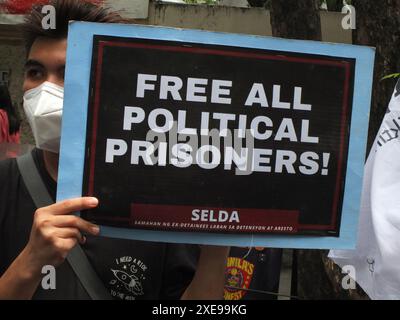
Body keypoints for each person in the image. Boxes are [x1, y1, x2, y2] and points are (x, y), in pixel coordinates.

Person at [0, 0, 229, 300]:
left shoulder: (159, 194)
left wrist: (218, 247)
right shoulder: (5, 182)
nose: (46, 89)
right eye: (35, 72)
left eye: (67, 73)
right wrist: (30, 261)